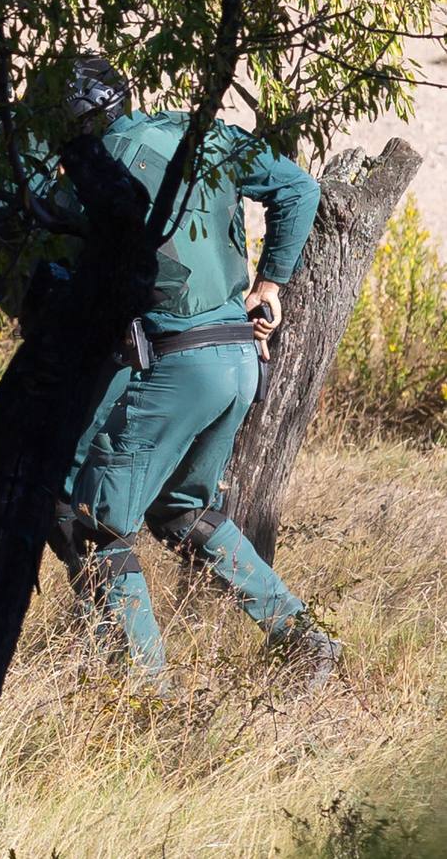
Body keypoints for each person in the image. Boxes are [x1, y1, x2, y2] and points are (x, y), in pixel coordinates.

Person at [52, 56, 341, 685]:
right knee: (186, 514)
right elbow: (299, 188)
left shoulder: (92, 172)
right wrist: (270, 284)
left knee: (92, 522)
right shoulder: (201, 132)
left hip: (178, 364)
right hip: (240, 359)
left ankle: (146, 697)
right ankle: (304, 640)